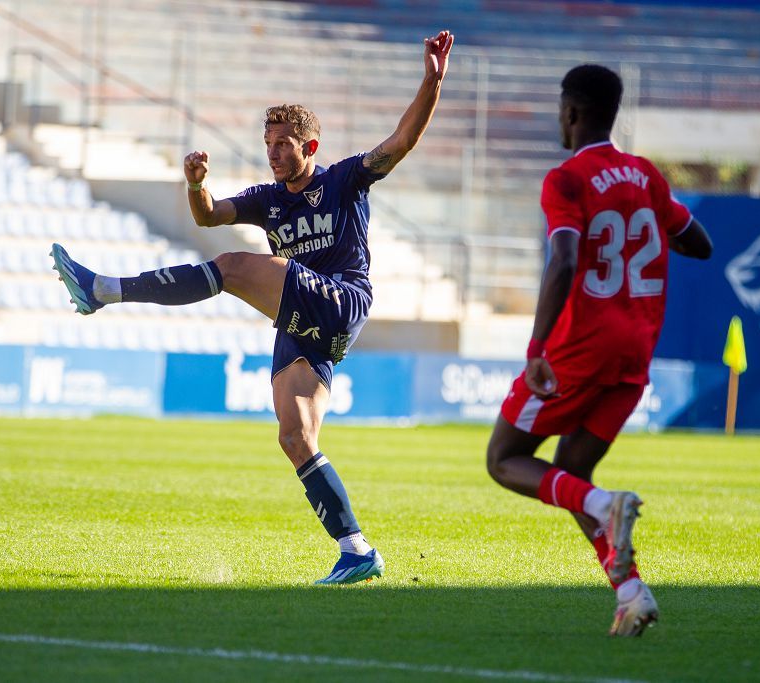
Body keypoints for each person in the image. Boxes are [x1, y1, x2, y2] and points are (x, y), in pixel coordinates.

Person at [52, 31, 455, 584]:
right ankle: (357, 550)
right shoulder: (268, 200)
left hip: (341, 302)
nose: (273, 152)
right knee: (295, 438)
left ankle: (102, 290)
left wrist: (431, 80)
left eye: (284, 143)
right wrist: (196, 185)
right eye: (269, 143)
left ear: (309, 148)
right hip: (300, 321)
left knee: (236, 268)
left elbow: (402, 140)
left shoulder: (343, 180)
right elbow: (208, 215)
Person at [485, 63, 713, 636]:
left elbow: (562, 258)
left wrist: (537, 345)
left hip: (579, 348)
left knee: (504, 458)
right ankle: (631, 592)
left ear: (572, 112)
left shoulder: (567, 179)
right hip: (635, 353)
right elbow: (699, 243)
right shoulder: (646, 176)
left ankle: (607, 507)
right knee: (574, 473)